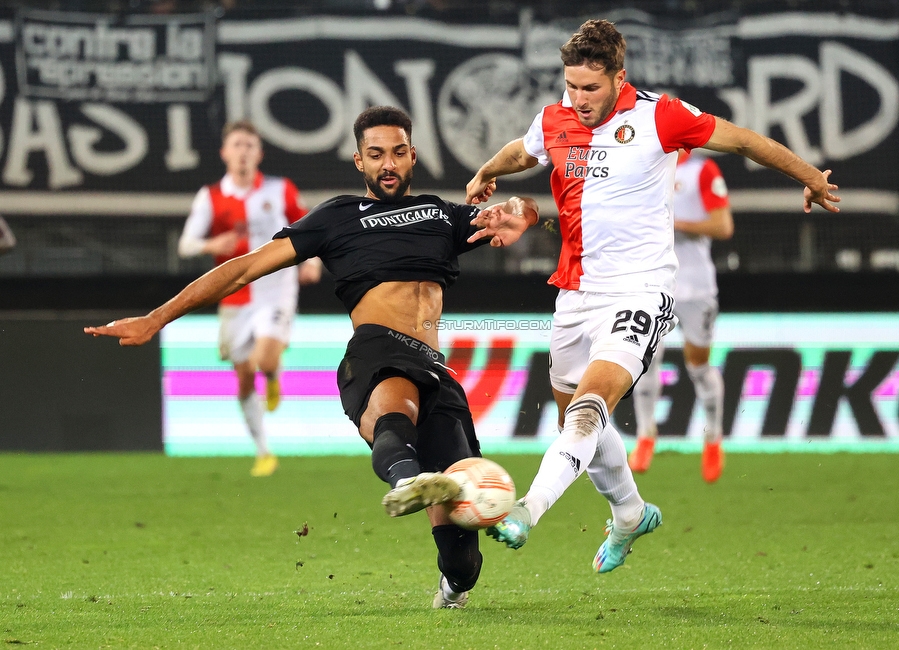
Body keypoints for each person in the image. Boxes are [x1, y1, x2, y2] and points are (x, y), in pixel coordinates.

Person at [86, 106, 539, 609]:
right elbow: (244, 268)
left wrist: (519, 213)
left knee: (463, 563)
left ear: (412, 156)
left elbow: (522, 212)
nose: (387, 164)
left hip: (435, 367)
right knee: (396, 412)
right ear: (358, 161)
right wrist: (157, 317)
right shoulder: (337, 217)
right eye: (375, 155)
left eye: (396, 153)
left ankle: (451, 581)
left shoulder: (441, 214)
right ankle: (407, 478)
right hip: (377, 348)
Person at [465, 19, 840, 573]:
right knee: (580, 421)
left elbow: (742, 139)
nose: (579, 98)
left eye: (591, 87)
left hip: (640, 290)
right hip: (574, 293)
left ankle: (527, 509)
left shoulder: (660, 115)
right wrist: (486, 170)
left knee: (589, 410)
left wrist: (809, 176)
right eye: (571, 86)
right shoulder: (555, 118)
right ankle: (631, 513)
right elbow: (526, 151)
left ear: (620, 77)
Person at [177, 120, 322, 478]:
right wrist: (212, 244)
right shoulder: (210, 196)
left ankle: (272, 375)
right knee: (243, 378)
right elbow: (186, 244)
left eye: (249, 145)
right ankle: (263, 451)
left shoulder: (280, 189)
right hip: (233, 296)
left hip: (276, 289)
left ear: (259, 153)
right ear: (225, 153)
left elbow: (310, 227)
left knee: (265, 357)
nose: (243, 151)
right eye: (236, 145)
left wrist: (314, 260)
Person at [629, 150, 733, 482]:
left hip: (695, 287)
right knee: (643, 362)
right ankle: (646, 436)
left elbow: (723, 225)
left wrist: (676, 223)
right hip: (652, 284)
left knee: (698, 367)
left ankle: (713, 440)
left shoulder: (702, 170)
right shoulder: (642, 165)